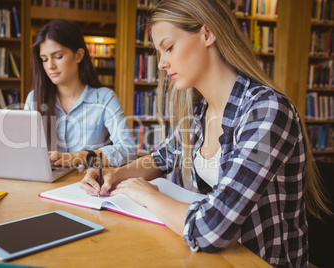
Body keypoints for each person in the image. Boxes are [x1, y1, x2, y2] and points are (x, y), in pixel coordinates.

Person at [80, 0, 331, 267]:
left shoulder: (267, 111)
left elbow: (212, 228)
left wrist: (147, 194)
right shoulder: (200, 109)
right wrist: (115, 175)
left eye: (169, 48)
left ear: (207, 33)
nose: (163, 64)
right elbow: (160, 158)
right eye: (159, 53)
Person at [24, 19, 136, 167]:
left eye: (58, 57)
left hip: (87, 184)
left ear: (79, 55)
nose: (50, 66)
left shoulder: (104, 98)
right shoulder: (34, 98)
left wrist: (81, 157)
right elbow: (24, 151)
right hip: (45, 184)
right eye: (44, 59)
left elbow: (128, 149)